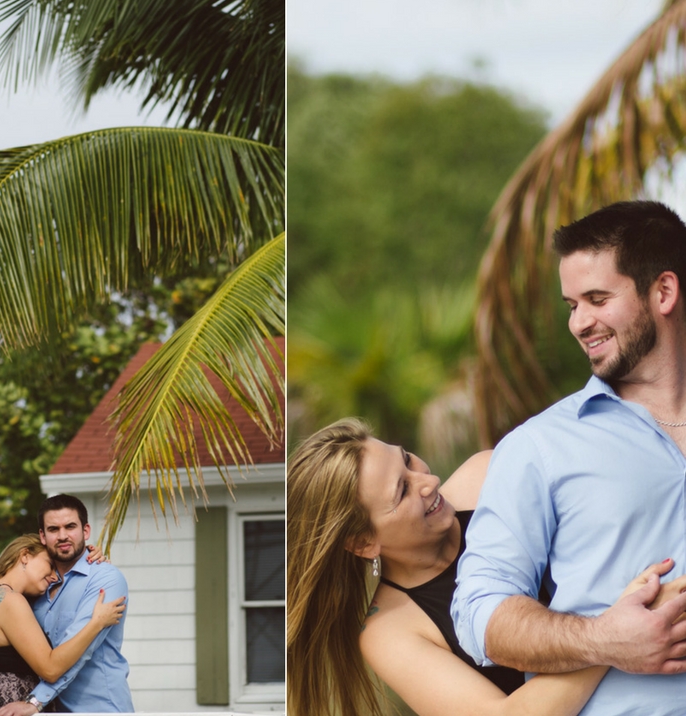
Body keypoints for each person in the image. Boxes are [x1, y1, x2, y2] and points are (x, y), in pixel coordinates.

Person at [452, 200, 686, 716]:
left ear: (663, 291)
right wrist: (602, 639)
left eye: (597, 299)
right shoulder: (538, 447)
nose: (580, 322)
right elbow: (479, 613)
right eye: (572, 304)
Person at [286, 416, 686, 716]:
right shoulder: (389, 630)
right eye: (402, 491)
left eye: (407, 460)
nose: (427, 481)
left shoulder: (487, 473)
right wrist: (612, 637)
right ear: (362, 542)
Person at [0, 494, 134, 714]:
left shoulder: (104, 579)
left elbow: (80, 652)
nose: (63, 535)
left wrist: (35, 701)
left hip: (99, 709)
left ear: (85, 531)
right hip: (51, 709)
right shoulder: (36, 589)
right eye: (54, 529)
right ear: (43, 536)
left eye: (70, 527)